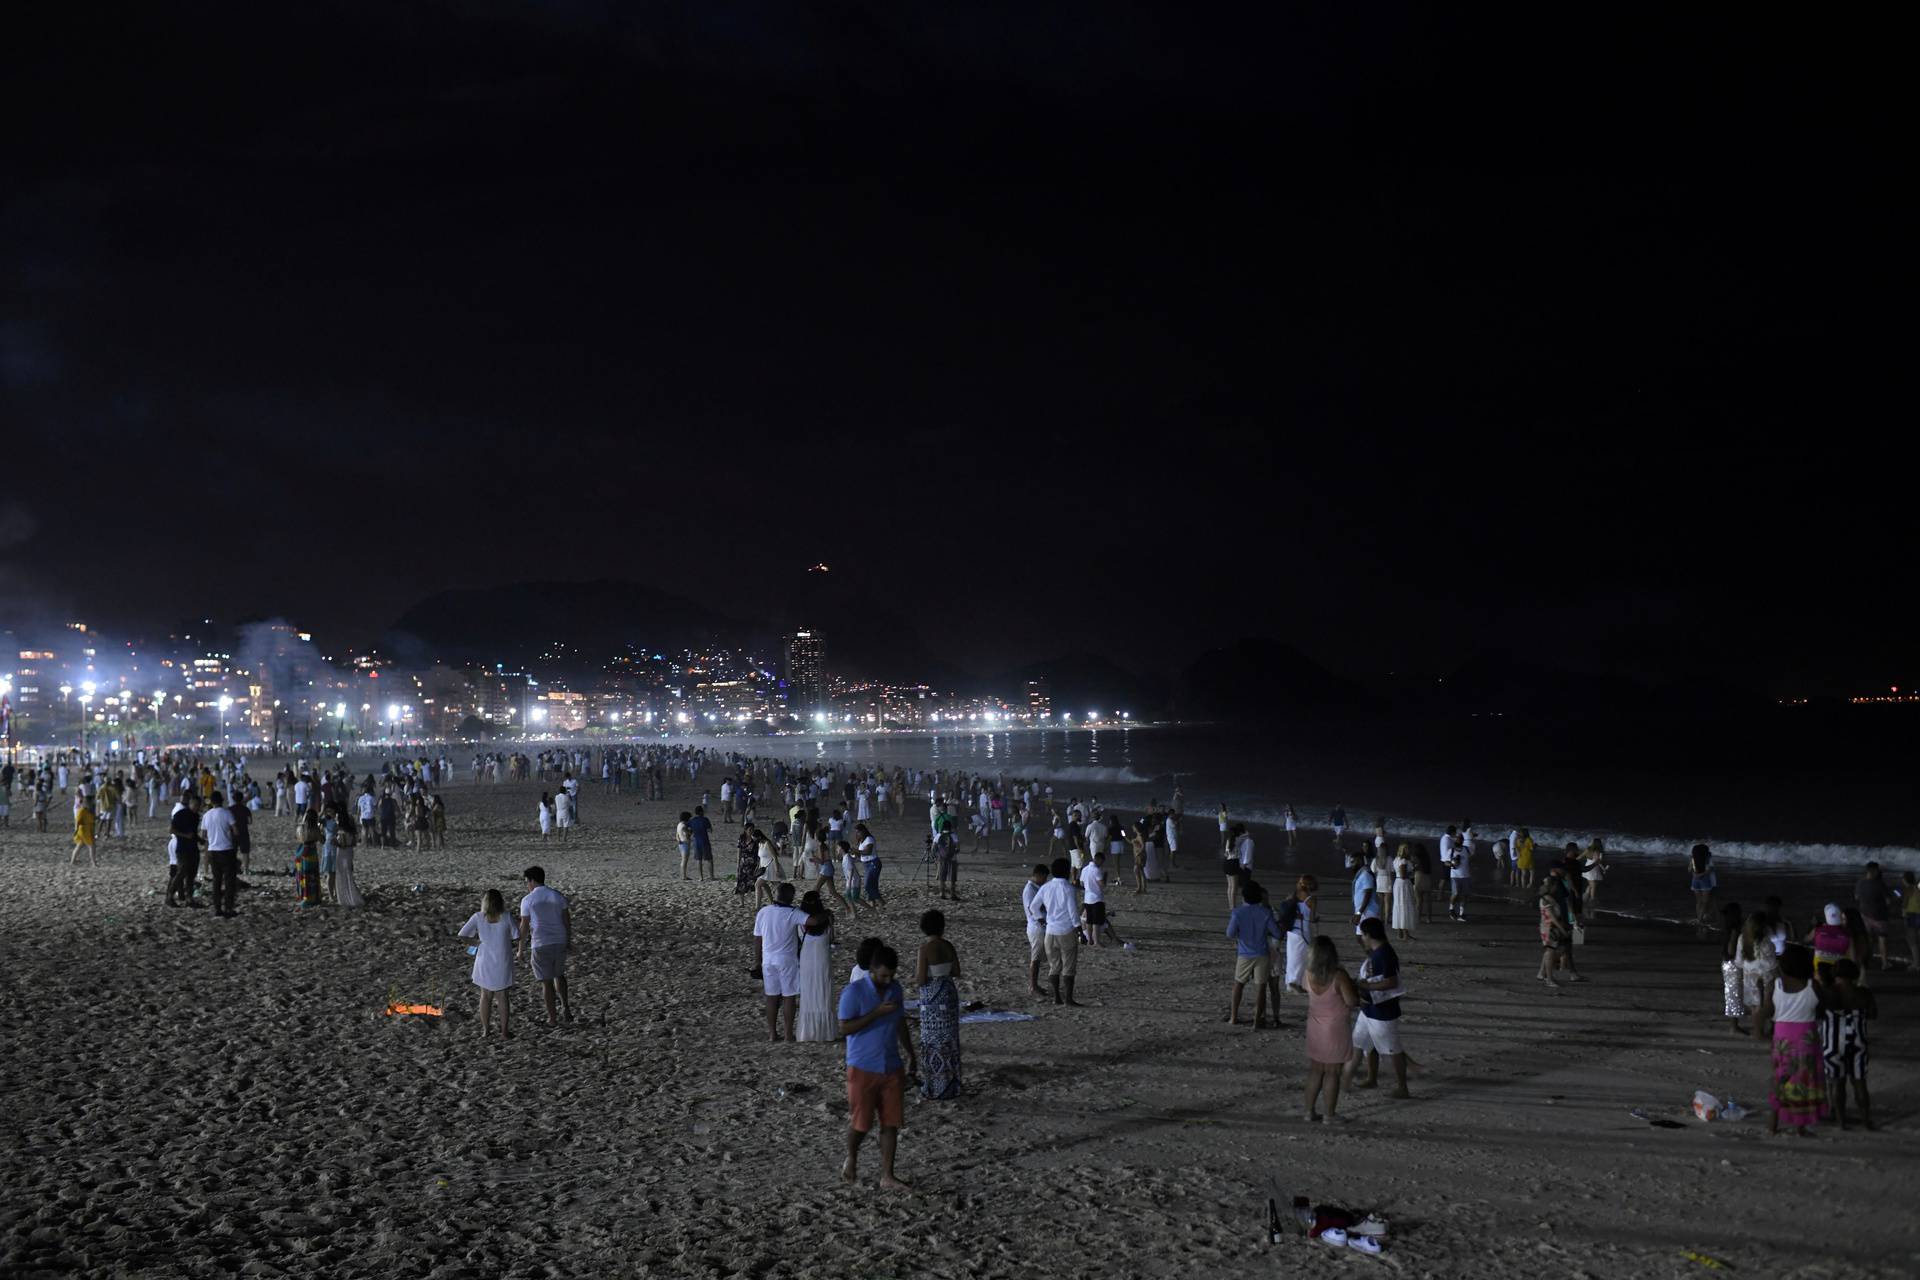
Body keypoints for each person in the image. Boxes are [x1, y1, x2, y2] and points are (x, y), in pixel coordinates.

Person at [838, 944, 916, 1190]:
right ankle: (851, 1156)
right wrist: (876, 1013)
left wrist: (911, 1053)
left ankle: (887, 1175)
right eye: (883, 975)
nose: (887, 980)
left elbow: (900, 1022)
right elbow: (845, 1028)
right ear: (871, 970)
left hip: (891, 1064)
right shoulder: (854, 992)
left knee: (891, 1123)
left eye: (891, 975)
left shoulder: (895, 990)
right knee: (861, 1123)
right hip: (862, 1066)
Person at [1760, 944, 1827, 1137]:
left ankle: (1773, 1124)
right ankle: (1800, 1126)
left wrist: (1760, 1031)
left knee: (1782, 1078)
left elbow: (1767, 1010)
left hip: (1782, 1039)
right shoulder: (1812, 986)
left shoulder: (1776, 985)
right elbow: (1822, 1009)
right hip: (1806, 1038)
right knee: (1805, 1082)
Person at [1348, 917, 1410, 1098]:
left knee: (1393, 1049)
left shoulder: (1384, 954)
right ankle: (1372, 1077)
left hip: (1382, 1011)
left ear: (1368, 934)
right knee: (1368, 1046)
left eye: (1364, 935)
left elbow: (1391, 982)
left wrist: (1365, 987)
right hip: (1370, 1009)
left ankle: (1402, 1087)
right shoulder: (1379, 951)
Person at [1302, 936, 1359, 1122]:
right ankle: (1329, 1114)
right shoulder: (1338, 976)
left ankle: (1309, 1111)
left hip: (1315, 1026)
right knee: (1332, 1072)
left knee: (1316, 1069)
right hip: (1335, 1028)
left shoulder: (1308, 974)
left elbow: (1305, 989)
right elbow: (1351, 1001)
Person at [1821, 958, 1876, 1130]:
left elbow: (1817, 1013)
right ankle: (1866, 1121)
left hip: (1833, 1043)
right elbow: (1873, 1014)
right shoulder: (1863, 993)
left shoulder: (1827, 992)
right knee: (1859, 1082)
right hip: (1858, 1041)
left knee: (1838, 1082)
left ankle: (1840, 1121)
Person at [517, 866, 573, 1026]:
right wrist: (568, 941)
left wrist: (520, 949)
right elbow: (567, 921)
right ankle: (565, 1006)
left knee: (546, 981)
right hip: (560, 939)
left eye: (527, 882)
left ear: (532, 881)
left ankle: (552, 1018)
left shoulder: (527, 900)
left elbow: (524, 926)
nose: (527, 885)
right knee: (559, 974)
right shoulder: (557, 896)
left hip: (541, 942)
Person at [459, 889, 518, 1038]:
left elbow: (462, 935)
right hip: (502, 960)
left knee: (485, 995)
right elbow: (517, 936)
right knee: (503, 996)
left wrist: (477, 942)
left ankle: (486, 1030)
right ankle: (504, 1031)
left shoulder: (478, 917)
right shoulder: (506, 917)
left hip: (484, 959)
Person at [754, 882, 809, 1042]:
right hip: (787, 960)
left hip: (768, 960)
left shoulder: (764, 912)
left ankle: (772, 1034)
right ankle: (787, 1034)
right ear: (791, 897)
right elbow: (810, 922)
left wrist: (757, 960)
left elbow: (757, 938)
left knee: (771, 997)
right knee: (788, 997)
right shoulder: (793, 912)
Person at [916, 910, 962, 1099]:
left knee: (931, 1040)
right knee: (949, 1040)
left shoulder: (924, 948)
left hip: (931, 995)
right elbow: (957, 971)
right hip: (948, 991)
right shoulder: (948, 945)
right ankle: (951, 1085)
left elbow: (920, 979)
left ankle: (934, 1086)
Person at [1225, 882, 1281, 1028]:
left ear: (1244, 897)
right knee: (1261, 988)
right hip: (1262, 953)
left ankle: (1233, 1017)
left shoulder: (1237, 912)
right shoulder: (1265, 913)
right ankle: (1256, 1020)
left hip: (1244, 953)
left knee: (1238, 984)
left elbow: (1230, 933)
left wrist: (1241, 932)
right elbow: (1277, 933)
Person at [1032, 856, 1082, 1006]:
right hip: (1065, 931)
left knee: (1054, 966)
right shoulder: (1068, 888)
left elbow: (1034, 906)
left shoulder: (1045, 887)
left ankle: (1056, 998)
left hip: (1050, 932)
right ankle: (1068, 999)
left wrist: (1042, 919)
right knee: (1068, 967)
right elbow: (1073, 912)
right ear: (1067, 871)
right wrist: (1079, 930)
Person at [794, 891, 838, 1043]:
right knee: (824, 990)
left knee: (809, 991)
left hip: (806, 959)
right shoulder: (828, 920)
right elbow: (832, 939)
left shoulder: (801, 922)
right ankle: (826, 1032)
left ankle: (808, 1032)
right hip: (823, 957)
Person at [1537, 869, 1583, 984]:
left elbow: (1566, 906)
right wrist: (1564, 929)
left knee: (1554, 950)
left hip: (1553, 926)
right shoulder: (1547, 898)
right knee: (1553, 951)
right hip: (1550, 927)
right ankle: (1549, 977)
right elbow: (1552, 916)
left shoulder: (1551, 896)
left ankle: (1544, 974)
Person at [201, 789, 240, 918]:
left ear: (211, 802)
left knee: (216, 880)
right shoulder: (227, 813)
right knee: (229, 881)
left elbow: (204, 835)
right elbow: (236, 831)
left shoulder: (206, 815)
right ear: (222, 801)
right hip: (226, 849)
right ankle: (228, 908)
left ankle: (217, 907)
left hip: (213, 851)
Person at [1854, 862, 1894, 972]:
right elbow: (1888, 901)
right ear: (1874, 871)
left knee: (1869, 940)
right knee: (1882, 939)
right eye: (1877, 870)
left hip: (1865, 915)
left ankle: (1867, 961)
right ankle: (1885, 963)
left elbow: (1856, 897)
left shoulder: (1860, 883)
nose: (1879, 872)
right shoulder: (1880, 884)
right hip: (1880, 916)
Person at [1282, 875, 1317, 993]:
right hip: (1304, 930)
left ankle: (1290, 981)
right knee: (1303, 957)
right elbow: (1311, 919)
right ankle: (1297, 982)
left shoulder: (1292, 897)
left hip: (1292, 930)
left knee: (1292, 956)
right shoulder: (1311, 900)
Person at [166, 793, 201, 907]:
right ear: (190, 804)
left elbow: (194, 833)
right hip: (182, 848)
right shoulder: (180, 814)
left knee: (192, 874)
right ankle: (170, 896)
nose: (196, 808)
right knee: (181, 872)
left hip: (193, 848)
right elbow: (171, 830)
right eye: (195, 805)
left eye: (198, 806)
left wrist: (200, 840)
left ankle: (189, 899)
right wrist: (186, 835)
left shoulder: (196, 817)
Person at [1718, 902, 1747, 1035]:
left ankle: (1734, 1025)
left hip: (1727, 963)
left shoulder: (1726, 928)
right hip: (1733, 964)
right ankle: (1734, 1026)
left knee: (1731, 994)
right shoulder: (1735, 929)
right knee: (1734, 994)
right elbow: (1731, 950)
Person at [1807, 903, 1855, 980]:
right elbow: (1852, 957)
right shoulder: (1847, 935)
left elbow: (1806, 939)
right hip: (1839, 968)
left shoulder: (1817, 930)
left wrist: (1813, 926)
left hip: (1819, 968)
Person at [1022, 863, 1050, 995]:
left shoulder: (1037, 888)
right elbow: (1032, 909)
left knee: (1039, 958)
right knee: (1036, 958)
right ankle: (1033, 986)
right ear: (1038, 875)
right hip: (1036, 927)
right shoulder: (1029, 889)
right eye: (1044, 877)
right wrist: (1043, 922)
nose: (1045, 880)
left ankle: (1034, 985)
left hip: (1040, 926)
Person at [294, 807, 323, 907]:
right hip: (311, 853)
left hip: (301, 852)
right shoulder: (315, 829)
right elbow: (322, 840)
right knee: (312, 876)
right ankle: (313, 897)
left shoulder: (300, 828)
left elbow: (298, 838)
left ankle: (303, 896)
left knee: (302, 876)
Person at [335, 813, 364, 909]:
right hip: (349, 853)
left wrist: (335, 842)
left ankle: (345, 899)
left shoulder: (342, 831)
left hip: (342, 854)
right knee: (348, 875)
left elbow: (342, 845)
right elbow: (353, 843)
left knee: (342, 875)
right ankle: (352, 897)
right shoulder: (352, 832)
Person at [1389, 843, 1417, 940]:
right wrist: (1413, 869)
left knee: (1399, 906)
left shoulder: (1396, 859)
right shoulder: (1404, 861)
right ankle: (1405, 934)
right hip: (1403, 884)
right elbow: (1403, 875)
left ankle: (1400, 933)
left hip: (1397, 883)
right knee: (1404, 906)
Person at [1226, 823, 1253, 911]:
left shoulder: (1228, 840)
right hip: (1233, 863)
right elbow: (1247, 835)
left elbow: (1225, 853)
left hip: (1226, 863)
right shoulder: (1238, 839)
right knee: (1234, 887)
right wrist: (1245, 831)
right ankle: (1233, 907)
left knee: (1229, 886)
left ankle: (1230, 905)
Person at [1688, 843, 1716, 926]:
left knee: (1698, 902)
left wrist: (1695, 875)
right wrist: (1700, 875)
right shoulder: (1708, 859)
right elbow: (1709, 870)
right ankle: (1700, 919)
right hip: (1705, 881)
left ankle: (1699, 917)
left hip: (1695, 881)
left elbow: (1689, 869)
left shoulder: (1693, 859)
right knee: (1704, 902)